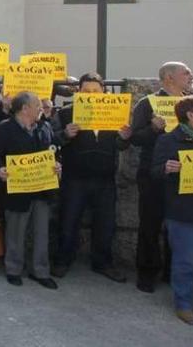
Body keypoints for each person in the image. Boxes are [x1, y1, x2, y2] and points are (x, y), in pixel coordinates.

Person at [51, 72, 130, 283]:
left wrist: (124, 138)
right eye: (86, 91)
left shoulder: (115, 112)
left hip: (105, 178)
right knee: (68, 221)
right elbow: (53, 140)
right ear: (78, 92)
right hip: (74, 177)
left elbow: (121, 145)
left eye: (96, 91)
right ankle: (62, 260)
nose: (92, 95)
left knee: (106, 224)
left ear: (103, 91)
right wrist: (66, 134)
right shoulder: (66, 113)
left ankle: (102, 262)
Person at [130, 61, 193, 293]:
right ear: (168, 78)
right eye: (185, 73)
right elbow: (135, 138)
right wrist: (154, 129)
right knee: (150, 224)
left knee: (178, 226)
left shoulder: (192, 104)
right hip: (153, 173)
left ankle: (171, 272)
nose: (191, 76)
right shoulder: (147, 104)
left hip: (185, 174)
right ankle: (147, 274)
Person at [151, 95, 193, 325]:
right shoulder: (169, 141)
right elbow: (154, 171)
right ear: (191, 116)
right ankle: (184, 304)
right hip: (185, 212)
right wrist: (167, 168)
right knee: (186, 262)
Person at [0, 92, 61, 289]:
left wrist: (57, 166)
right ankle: (13, 269)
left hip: (42, 190)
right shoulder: (3, 129)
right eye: (37, 105)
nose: (41, 109)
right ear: (24, 108)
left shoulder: (44, 127)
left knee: (41, 233)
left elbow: (54, 152)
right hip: (17, 190)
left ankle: (40, 271)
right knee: (15, 232)